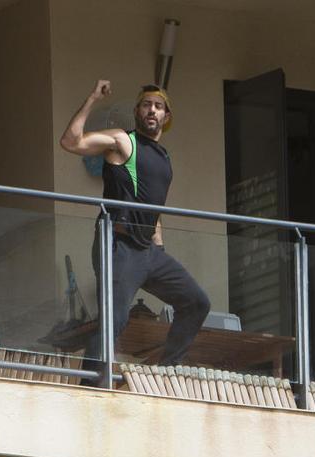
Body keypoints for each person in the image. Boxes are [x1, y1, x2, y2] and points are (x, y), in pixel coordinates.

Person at [60, 80, 210, 378]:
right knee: (114, 320)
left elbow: (155, 209)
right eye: (146, 104)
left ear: (166, 117)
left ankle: (167, 371)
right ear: (137, 111)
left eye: (158, 106)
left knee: (196, 303)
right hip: (119, 245)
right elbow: (70, 142)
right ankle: (90, 386)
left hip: (149, 253)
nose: (152, 110)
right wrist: (91, 98)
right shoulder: (122, 141)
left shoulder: (164, 158)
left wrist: (159, 248)